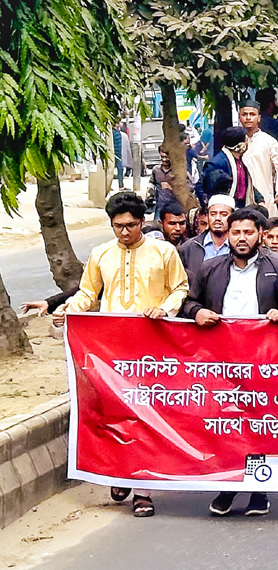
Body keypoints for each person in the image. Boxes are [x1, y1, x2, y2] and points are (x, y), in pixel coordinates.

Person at [57, 192, 189, 518]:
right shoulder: (100, 253)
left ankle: (143, 491)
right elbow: (88, 293)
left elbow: (180, 289)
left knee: (146, 417)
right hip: (109, 349)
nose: (124, 232)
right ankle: (119, 472)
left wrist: (166, 309)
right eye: (118, 226)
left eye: (130, 225)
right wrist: (68, 310)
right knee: (111, 413)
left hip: (151, 349)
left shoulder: (164, 252)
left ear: (142, 222)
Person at [182, 207, 278, 519]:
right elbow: (189, 302)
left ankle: (258, 490)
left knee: (259, 424)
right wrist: (197, 313)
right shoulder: (210, 269)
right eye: (236, 232)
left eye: (248, 232)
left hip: (265, 361)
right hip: (220, 360)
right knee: (227, 423)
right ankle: (229, 484)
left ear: (260, 235)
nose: (242, 238)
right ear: (227, 235)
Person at [237, 101, 278, 217]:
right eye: (245, 114)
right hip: (240, 199)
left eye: (252, 114)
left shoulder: (269, 141)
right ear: (239, 117)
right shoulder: (234, 141)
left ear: (259, 118)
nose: (248, 118)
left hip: (265, 197)